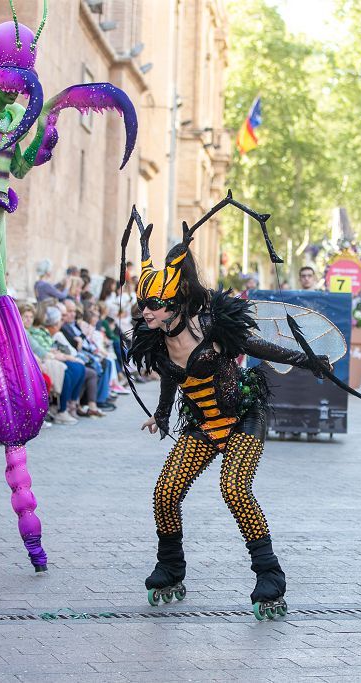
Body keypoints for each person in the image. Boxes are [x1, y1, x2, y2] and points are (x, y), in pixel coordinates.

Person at [0, 6, 136, 571]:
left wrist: (49, 136)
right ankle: (0, 402)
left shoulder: (16, 116)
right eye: (12, 81)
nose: (15, 96)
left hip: (0, 219)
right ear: (0, 71)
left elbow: (23, 165)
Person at [129, 208, 329, 618]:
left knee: (234, 489)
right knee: (165, 492)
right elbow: (170, 376)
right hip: (202, 424)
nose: (145, 312)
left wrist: (309, 360)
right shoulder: (156, 340)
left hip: (243, 419)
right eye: (142, 304)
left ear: (176, 303)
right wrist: (163, 415)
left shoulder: (213, 327)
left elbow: (261, 350)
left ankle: (269, 575)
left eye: (154, 304)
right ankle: (170, 567)